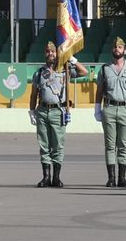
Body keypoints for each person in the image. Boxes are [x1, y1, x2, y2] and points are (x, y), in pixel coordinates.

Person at [29, 40, 87, 188]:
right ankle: (46, 177)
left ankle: (56, 177)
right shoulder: (39, 73)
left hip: (58, 111)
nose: (50, 54)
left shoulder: (65, 70)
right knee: (44, 145)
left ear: (58, 53)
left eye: (53, 51)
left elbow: (84, 72)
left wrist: (72, 59)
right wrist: (32, 111)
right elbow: (34, 94)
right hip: (42, 111)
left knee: (58, 145)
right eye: (48, 51)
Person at [95, 36, 126, 188]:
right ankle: (111, 178)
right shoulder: (105, 69)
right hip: (109, 108)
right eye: (115, 47)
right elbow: (99, 91)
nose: (117, 49)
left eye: (120, 47)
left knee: (123, 145)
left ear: (125, 50)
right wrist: (97, 109)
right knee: (109, 145)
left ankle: (122, 178)